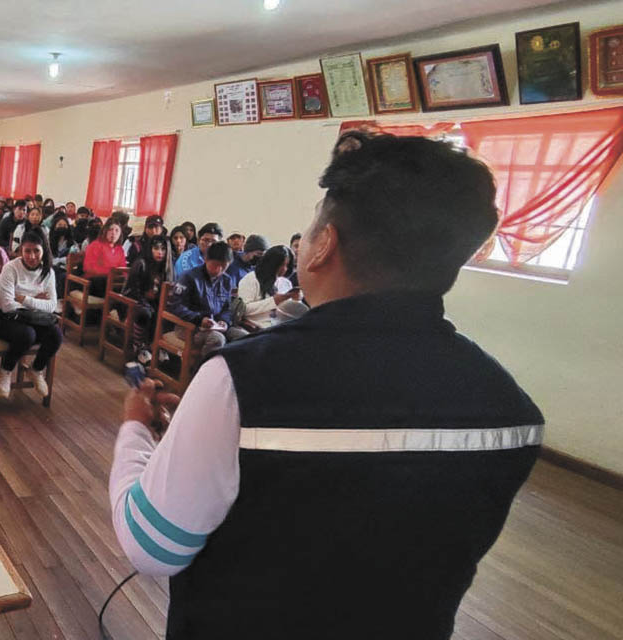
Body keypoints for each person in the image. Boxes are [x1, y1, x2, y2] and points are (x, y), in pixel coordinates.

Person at [110, 131, 543, 638]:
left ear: (324, 246)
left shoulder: (243, 379)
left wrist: (136, 431)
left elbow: (153, 545)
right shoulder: (511, 410)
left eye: (311, 225)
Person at [0, 230, 61, 399]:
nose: (32, 256)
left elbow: (52, 306)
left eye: (36, 251)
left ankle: (36, 369)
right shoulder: (11, 268)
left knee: (56, 335)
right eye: (27, 251)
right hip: (4, 317)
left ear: (43, 250)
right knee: (27, 334)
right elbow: (7, 305)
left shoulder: (48, 272)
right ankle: (5, 370)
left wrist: (24, 299)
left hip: (31, 317)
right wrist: (36, 302)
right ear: (21, 250)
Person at [166, 241, 246, 357]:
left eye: (223, 267)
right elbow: (174, 305)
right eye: (214, 265)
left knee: (244, 337)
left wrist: (224, 321)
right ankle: (203, 372)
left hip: (216, 324)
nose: (218, 270)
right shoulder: (189, 277)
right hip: (189, 326)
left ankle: (228, 372)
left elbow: (226, 308)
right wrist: (199, 319)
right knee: (216, 339)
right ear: (206, 259)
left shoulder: (226, 280)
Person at [122, 235, 170, 364]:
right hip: (133, 300)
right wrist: (145, 299)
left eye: (163, 249)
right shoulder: (141, 263)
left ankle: (155, 345)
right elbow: (131, 290)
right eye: (156, 248)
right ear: (150, 249)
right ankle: (139, 345)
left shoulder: (166, 268)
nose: (160, 252)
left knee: (165, 313)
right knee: (146, 312)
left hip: (153, 302)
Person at [236, 245, 301, 331]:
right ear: (271, 264)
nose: (284, 269)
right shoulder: (251, 279)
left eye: (287, 265)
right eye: (282, 265)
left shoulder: (286, 283)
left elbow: (290, 312)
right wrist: (274, 301)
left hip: (282, 326)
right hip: (257, 327)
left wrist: (296, 301)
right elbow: (244, 309)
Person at [82, 219, 127, 297]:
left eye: (117, 231)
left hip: (113, 281)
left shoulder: (120, 249)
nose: (113, 233)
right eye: (110, 230)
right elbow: (88, 267)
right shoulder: (95, 245)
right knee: (106, 282)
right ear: (105, 231)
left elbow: (123, 268)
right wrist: (110, 273)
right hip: (94, 281)